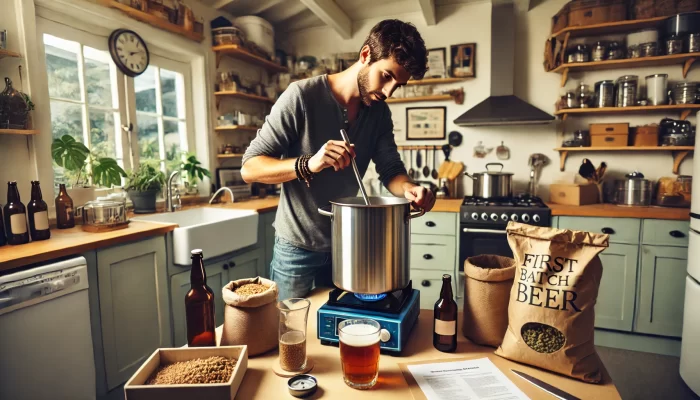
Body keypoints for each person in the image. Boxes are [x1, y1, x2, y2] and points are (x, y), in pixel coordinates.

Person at [241, 19, 436, 300]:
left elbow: (391, 169)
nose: (389, 92)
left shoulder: (379, 113)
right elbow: (249, 167)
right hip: (296, 250)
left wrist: (409, 189)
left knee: (338, 331)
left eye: (399, 85)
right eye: (387, 76)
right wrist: (309, 163)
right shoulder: (301, 97)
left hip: (346, 247)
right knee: (289, 334)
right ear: (366, 55)